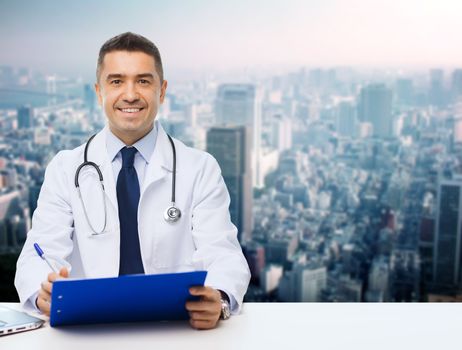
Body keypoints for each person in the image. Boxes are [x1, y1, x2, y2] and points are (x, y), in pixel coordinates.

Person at [14, 32, 251, 330]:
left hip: (175, 330)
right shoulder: (65, 168)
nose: (130, 94)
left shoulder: (199, 168)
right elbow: (38, 253)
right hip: (89, 331)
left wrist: (219, 297)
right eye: (116, 81)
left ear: (161, 91)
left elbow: (224, 254)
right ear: (99, 92)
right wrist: (41, 293)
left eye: (143, 81)